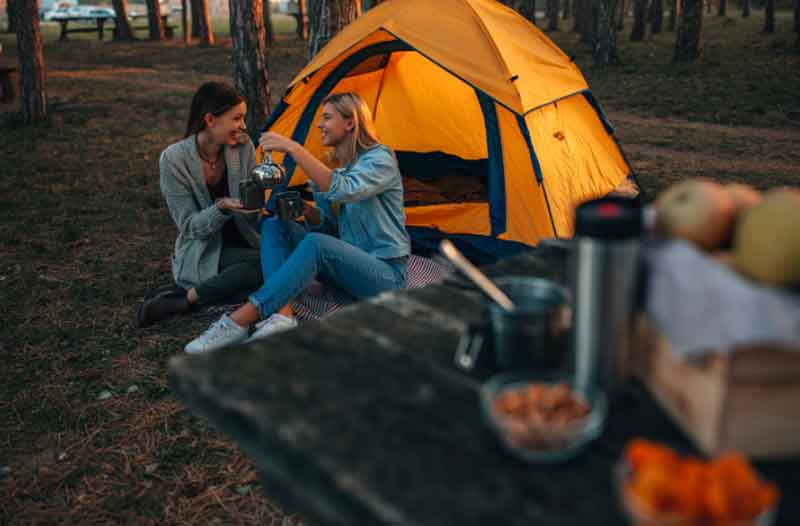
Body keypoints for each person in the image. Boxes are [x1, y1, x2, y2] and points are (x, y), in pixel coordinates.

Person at [184, 92, 411, 353]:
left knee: (315, 244)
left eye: (327, 117)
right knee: (275, 225)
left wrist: (293, 148)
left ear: (350, 123)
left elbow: (343, 189)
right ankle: (282, 316)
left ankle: (238, 321)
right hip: (349, 270)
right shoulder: (335, 170)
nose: (319, 124)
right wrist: (307, 212)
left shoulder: (380, 159)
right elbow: (330, 230)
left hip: (385, 276)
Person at [136, 81, 262, 327]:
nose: (243, 126)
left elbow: (250, 213)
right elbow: (190, 227)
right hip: (203, 249)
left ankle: (198, 294)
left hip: (243, 242)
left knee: (276, 259)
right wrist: (221, 208)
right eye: (236, 118)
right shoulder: (173, 160)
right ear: (210, 120)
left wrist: (256, 204)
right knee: (264, 266)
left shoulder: (243, 147)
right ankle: (185, 299)